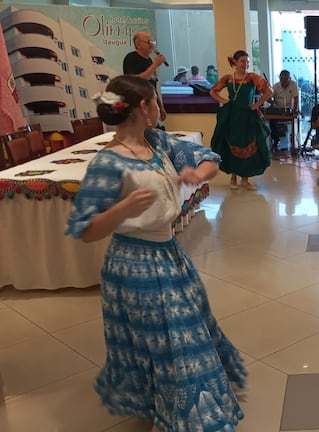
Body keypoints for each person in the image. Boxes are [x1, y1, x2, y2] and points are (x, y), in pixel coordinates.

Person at [64, 75, 246, 432]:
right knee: (170, 340)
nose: (160, 107)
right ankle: (183, 415)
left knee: (182, 332)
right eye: (154, 101)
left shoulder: (156, 141)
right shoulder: (108, 162)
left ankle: (180, 404)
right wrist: (122, 208)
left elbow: (211, 159)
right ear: (141, 108)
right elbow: (85, 229)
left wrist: (197, 172)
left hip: (168, 254)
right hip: (133, 265)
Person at [209, 49, 273, 190]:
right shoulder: (228, 78)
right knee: (232, 143)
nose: (245, 64)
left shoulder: (252, 77)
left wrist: (256, 104)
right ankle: (233, 177)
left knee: (250, 145)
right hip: (232, 115)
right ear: (235, 62)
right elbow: (212, 91)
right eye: (242, 61)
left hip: (248, 116)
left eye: (247, 62)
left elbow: (269, 91)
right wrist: (223, 101)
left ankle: (245, 179)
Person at [122, 31, 167, 123]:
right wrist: (155, 65)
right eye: (149, 42)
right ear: (138, 44)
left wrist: (160, 106)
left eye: (153, 42)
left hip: (151, 104)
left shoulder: (149, 61)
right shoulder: (131, 58)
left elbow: (153, 86)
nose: (152, 45)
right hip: (138, 107)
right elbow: (134, 81)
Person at [269, 70, 300, 149]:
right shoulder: (275, 86)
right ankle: (276, 140)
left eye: (286, 79)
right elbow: (267, 97)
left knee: (293, 120)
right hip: (278, 109)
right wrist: (272, 102)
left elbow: (296, 99)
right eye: (282, 79)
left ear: (289, 79)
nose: (284, 81)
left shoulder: (293, 84)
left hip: (290, 109)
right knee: (272, 121)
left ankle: (293, 139)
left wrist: (295, 111)